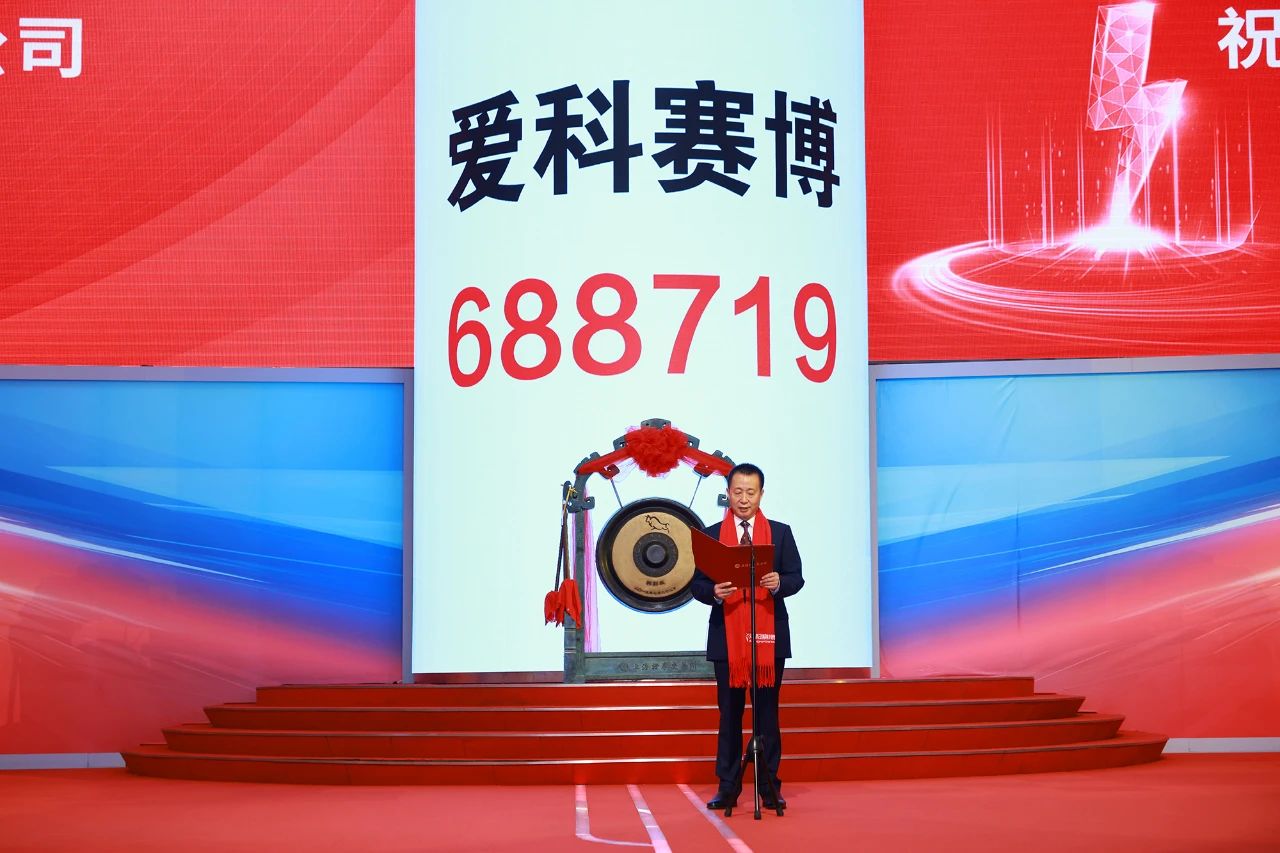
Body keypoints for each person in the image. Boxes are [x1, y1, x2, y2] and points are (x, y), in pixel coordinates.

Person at [690, 462, 804, 811]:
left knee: (767, 714)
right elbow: (697, 584)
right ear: (728, 493)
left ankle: (769, 787)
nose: (743, 499)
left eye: (750, 492)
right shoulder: (711, 535)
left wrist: (779, 584)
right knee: (730, 714)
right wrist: (714, 593)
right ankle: (727, 787)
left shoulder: (780, 533)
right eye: (737, 492)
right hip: (727, 639)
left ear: (761, 494)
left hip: (768, 639)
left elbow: (796, 577)